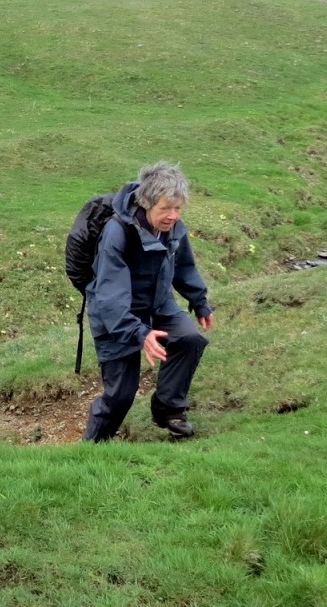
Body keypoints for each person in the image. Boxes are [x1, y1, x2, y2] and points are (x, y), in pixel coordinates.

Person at [82, 161, 214, 443]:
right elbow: (111, 296)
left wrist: (199, 301)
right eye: (165, 208)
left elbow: (184, 266)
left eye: (178, 208)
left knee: (189, 339)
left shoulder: (174, 228)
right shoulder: (117, 233)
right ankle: (91, 447)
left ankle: (168, 410)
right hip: (116, 316)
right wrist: (140, 333)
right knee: (120, 394)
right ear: (146, 203)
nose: (172, 216)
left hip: (158, 305)